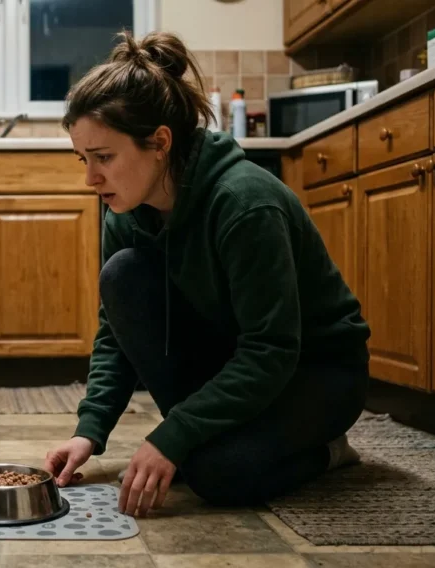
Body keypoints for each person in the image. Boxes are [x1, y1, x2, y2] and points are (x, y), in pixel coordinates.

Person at [43, 30, 371, 517]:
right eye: (83, 159)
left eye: (104, 157)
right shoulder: (123, 213)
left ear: (159, 143)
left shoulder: (245, 204)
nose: (90, 178)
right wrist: (89, 431)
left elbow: (271, 349)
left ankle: (329, 449)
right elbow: (116, 331)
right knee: (122, 275)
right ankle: (208, 437)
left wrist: (173, 436)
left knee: (216, 474)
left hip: (316, 371)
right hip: (237, 356)